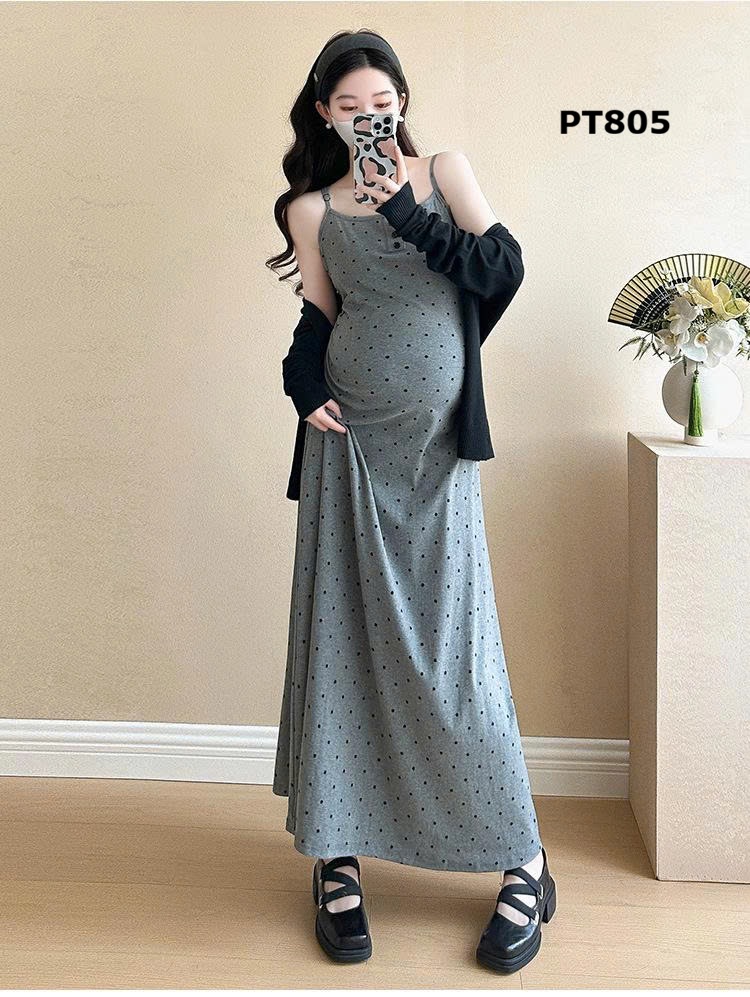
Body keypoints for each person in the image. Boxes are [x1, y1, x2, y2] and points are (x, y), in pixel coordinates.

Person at [266, 28, 557, 974]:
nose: (369, 118)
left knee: (454, 656)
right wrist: (302, 385)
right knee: (343, 644)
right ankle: (337, 856)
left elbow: (501, 270)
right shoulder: (310, 209)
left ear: (402, 103)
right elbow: (319, 317)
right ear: (325, 115)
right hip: (349, 449)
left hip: (436, 454)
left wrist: (406, 208)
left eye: (382, 104)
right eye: (349, 107)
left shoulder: (443, 173)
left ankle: (523, 859)